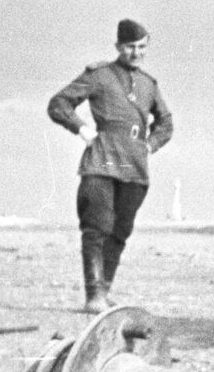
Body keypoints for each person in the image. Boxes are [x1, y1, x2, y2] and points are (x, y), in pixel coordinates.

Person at [47, 18, 174, 312]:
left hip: (135, 168)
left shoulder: (148, 84)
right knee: (97, 228)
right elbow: (59, 103)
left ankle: (104, 291)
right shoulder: (99, 75)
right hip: (101, 162)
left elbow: (166, 123)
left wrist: (150, 146)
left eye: (142, 47)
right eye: (130, 47)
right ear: (118, 46)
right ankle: (94, 295)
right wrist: (82, 129)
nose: (136, 53)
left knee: (120, 231)